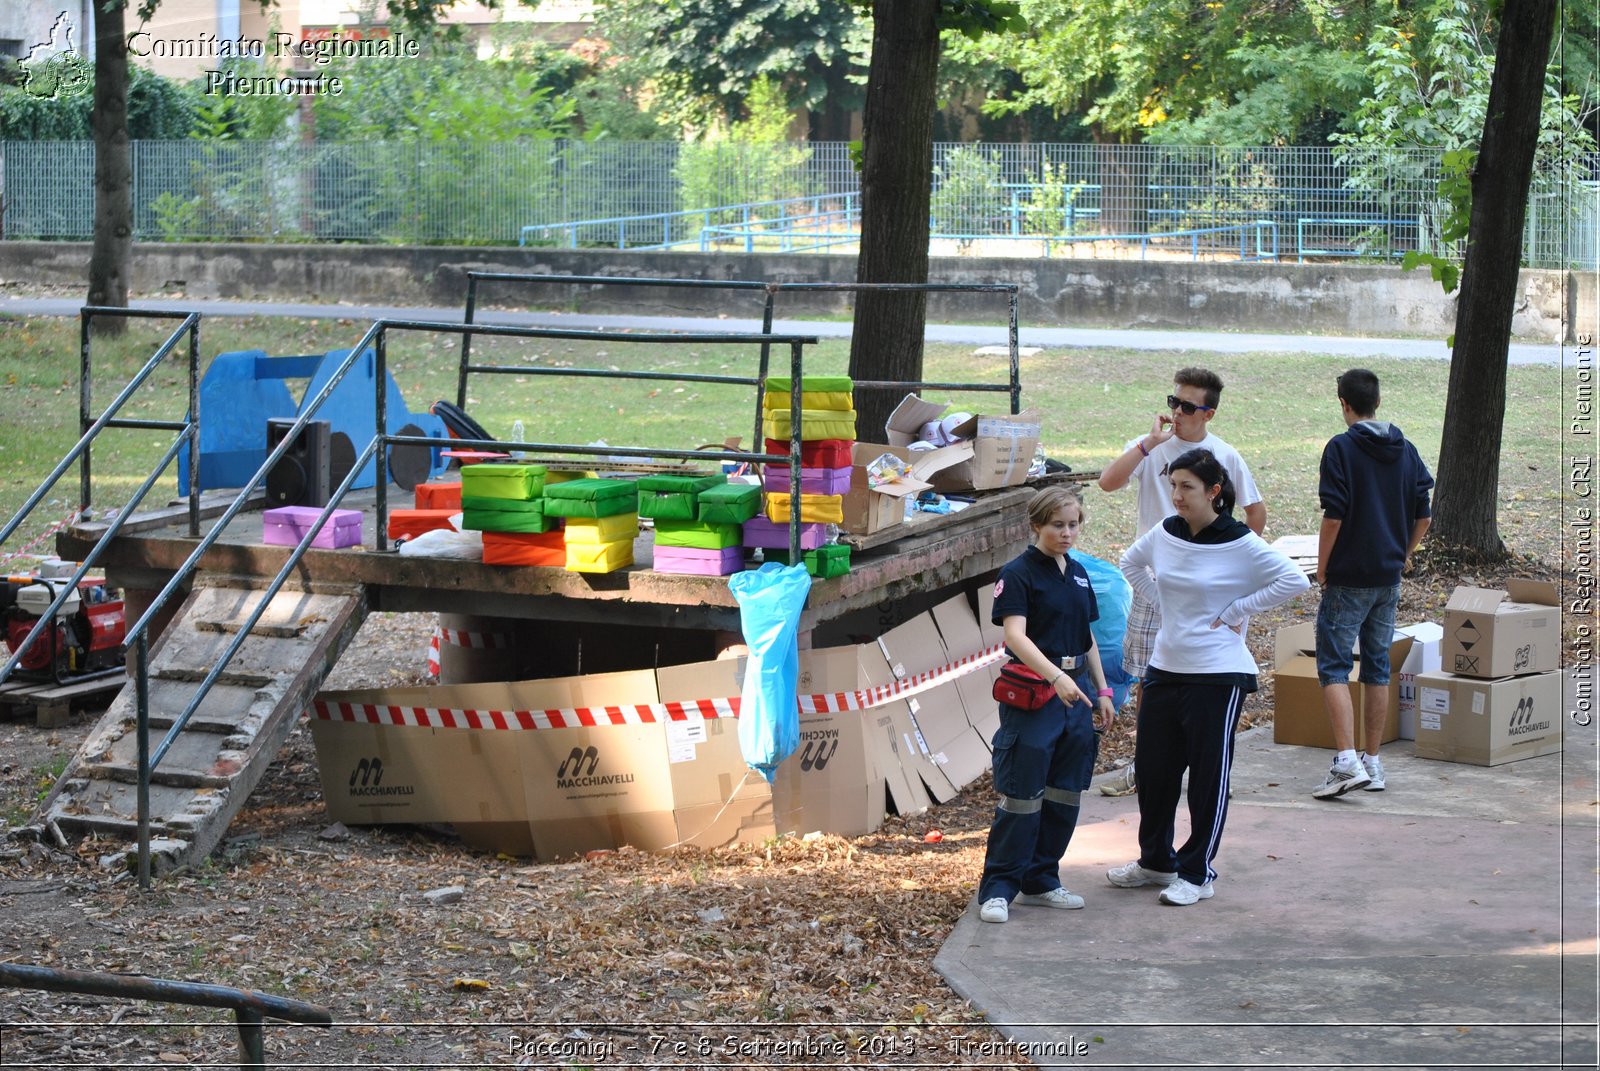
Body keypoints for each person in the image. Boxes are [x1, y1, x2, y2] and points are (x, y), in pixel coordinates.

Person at [1109, 448, 1309, 906]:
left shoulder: (1239, 541)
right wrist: (1161, 601)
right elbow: (1129, 563)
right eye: (1173, 485)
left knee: (1206, 776)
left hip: (1218, 675)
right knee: (1155, 771)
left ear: (1214, 492)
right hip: (1165, 668)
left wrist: (1238, 609)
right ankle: (1155, 862)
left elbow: (1295, 580)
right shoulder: (1165, 532)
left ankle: (1197, 872)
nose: (1176, 495)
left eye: (1187, 487)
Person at [1095, 367, 1266, 796]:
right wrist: (1147, 444)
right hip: (1155, 580)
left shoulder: (1223, 456)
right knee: (1151, 675)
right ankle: (1145, 765)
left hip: (1209, 590)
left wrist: (1233, 565)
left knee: (1203, 676)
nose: (1177, 413)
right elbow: (1107, 483)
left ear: (1209, 414)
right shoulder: (1152, 448)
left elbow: (1255, 511)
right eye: (1174, 402)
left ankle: (1203, 766)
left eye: (1188, 407)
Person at [977, 486, 1117, 924]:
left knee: (1064, 791)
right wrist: (1054, 677)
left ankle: (1042, 879)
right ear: (1036, 525)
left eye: (1073, 524)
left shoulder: (1076, 572)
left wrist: (1102, 689)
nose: (1067, 533)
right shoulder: (1019, 573)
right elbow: (1015, 635)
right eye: (1058, 525)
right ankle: (999, 887)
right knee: (1022, 791)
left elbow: (1086, 634)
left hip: (1075, 694)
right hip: (1036, 692)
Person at [1311, 369, 1434, 798]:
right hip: (1387, 577)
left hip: (1348, 577)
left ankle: (1346, 761)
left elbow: (1334, 515)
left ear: (1344, 404)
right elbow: (1425, 513)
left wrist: (1322, 567)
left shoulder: (1341, 449)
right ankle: (1373, 763)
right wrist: (1404, 554)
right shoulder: (1406, 449)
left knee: (1333, 666)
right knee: (1378, 668)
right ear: (1376, 402)